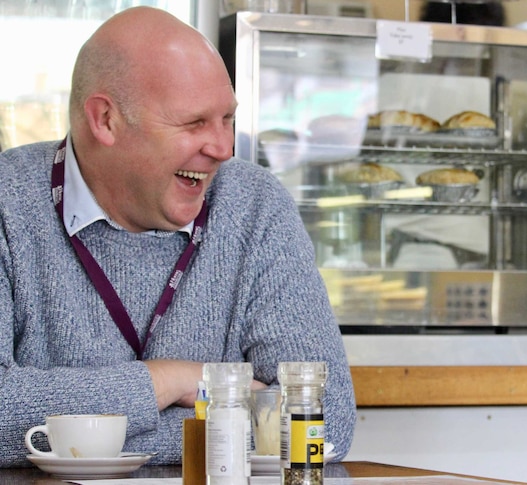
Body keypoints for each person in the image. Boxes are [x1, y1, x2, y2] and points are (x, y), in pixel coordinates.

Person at [0, 7, 356, 466]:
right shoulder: (8, 203)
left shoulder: (256, 206)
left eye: (228, 118)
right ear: (105, 120)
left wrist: (79, 431)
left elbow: (324, 423)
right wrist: (169, 382)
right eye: (194, 123)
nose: (223, 148)